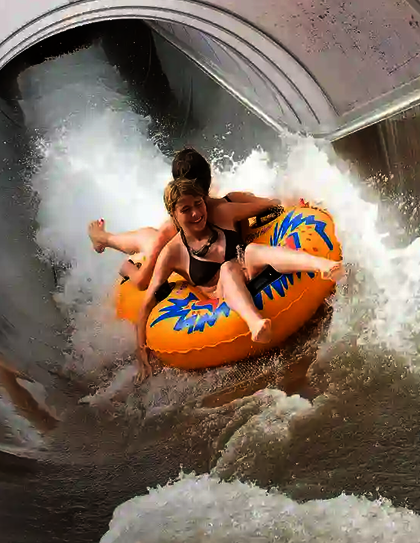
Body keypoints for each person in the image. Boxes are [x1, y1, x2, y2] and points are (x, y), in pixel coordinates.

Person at [134, 178, 344, 383]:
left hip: (249, 271)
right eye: (186, 209)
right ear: (173, 214)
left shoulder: (222, 215)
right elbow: (146, 305)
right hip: (223, 294)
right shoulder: (172, 252)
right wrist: (141, 351)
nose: (196, 213)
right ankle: (256, 323)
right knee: (227, 267)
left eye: (198, 204)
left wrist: (292, 204)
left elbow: (267, 206)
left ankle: (321, 266)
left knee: (250, 250)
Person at [88, 148, 279, 291]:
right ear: (209, 177)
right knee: (149, 240)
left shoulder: (231, 202)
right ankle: (106, 241)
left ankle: (105, 237)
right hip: (173, 243)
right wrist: (131, 271)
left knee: (150, 237)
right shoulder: (173, 229)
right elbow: (142, 281)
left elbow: (273, 206)